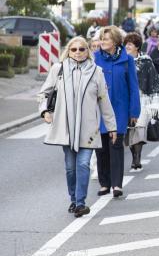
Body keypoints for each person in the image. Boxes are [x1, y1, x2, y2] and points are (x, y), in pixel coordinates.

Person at [38, 37, 116, 218]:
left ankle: (81, 203)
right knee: (70, 167)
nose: (78, 53)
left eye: (82, 49)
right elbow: (43, 93)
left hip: (88, 129)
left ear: (88, 51)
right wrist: (45, 112)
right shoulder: (59, 69)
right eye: (74, 50)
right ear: (69, 51)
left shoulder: (97, 72)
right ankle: (73, 199)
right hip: (66, 128)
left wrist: (112, 127)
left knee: (83, 164)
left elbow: (104, 101)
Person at [94, 26, 140, 198]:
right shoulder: (95, 58)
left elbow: (133, 87)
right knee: (101, 148)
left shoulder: (127, 60)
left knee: (116, 145)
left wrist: (134, 111)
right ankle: (104, 183)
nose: (102, 42)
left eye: (105, 39)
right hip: (98, 110)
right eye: (101, 39)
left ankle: (116, 185)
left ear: (114, 41)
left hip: (119, 109)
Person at [123, 33, 159, 170]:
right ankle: (134, 155)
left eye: (130, 44)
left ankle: (136, 158)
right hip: (127, 100)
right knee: (131, 130)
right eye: (126, 44)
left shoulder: (146, 61)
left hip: (143, 99)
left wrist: (155, 101)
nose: (127, 47)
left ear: (137, 46)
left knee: (140, 128)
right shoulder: (122, 61)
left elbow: (154, 80)